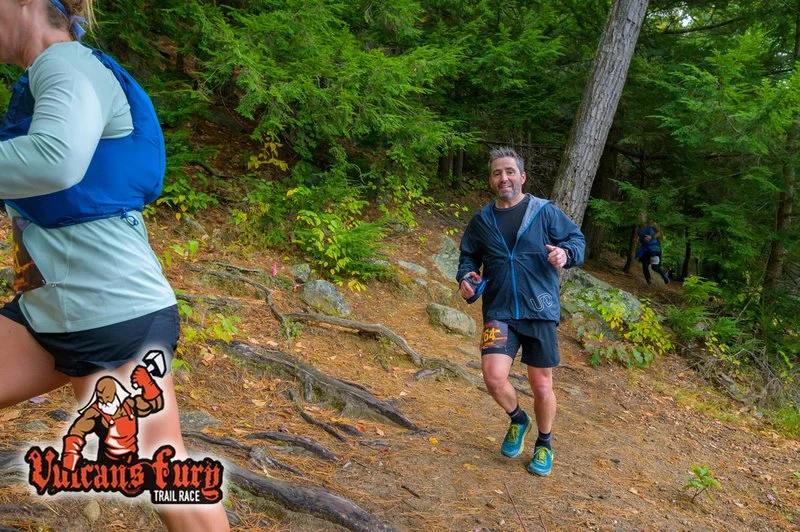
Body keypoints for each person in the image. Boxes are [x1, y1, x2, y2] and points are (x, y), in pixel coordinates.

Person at [0, 1, 229, 530]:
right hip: (50, 311)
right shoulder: (50, 76)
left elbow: (55, 158)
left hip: (110, 312)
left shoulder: (65, 64)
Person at [457, 147, 585, 476]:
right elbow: (468, 257)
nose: (504, 178)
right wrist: (466, 278)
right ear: (491, 179)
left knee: (542, 386)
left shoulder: (543, 212)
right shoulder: (482, 220)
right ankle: (518, 419)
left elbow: (577, 240)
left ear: (522, 177)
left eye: (510, 172)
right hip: (499, 309)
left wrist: (565, 255)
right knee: (493, 376)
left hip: (539, 310)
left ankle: (544, 443)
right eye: (497, 173)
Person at [634, 215, 670, 285]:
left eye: (641, 217)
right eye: (638, 217)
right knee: (645, 265)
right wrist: (635, 240)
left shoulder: (651, 224)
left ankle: (665, 277)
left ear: (645, 217)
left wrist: (651, 236)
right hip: (645, 249)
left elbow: (660, 233)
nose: (640, 219)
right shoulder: (637, 228)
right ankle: (649, 282)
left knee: (655, 267)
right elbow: (636, 237)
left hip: (654, 248)